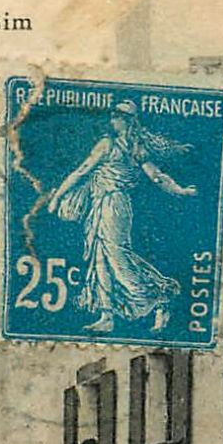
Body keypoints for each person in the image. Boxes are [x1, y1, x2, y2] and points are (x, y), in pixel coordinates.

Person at [47, 100, 197, 334]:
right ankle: (107, 316)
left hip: (114, 204)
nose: (112, 120)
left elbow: (82, 170)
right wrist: (180, 190)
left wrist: (57, 196)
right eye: (113, 115)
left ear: (126, 120)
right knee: (100, 257)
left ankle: (159, 297)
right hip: (103, 204)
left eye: (116, 116)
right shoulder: (134, 147)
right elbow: (157, 177)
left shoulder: (110, 145)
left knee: (116, 256)